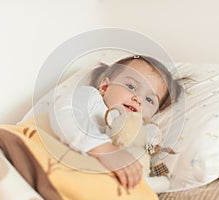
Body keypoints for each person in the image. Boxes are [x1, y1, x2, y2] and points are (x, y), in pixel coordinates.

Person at [49, 55, 183, 191]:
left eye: (149, 100)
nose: (138, 99)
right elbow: (65, 112)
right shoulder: (92, 99)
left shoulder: (136, 138)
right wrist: (103, 149)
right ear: (105, 87)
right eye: (131, 86)